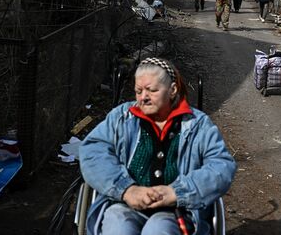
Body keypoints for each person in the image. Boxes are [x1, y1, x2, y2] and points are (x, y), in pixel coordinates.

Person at [79, 57, 236, 235]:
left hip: (177, 211)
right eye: (138, 91)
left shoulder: (197, 124)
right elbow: (92, 152)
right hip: (124, 204)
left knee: (158, 228)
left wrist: (177, 192)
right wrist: (126, 189)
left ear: (172, 90)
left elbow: (222, 166)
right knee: (118, 224)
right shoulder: (122, 118)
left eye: (151, 90)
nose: (143, 97)